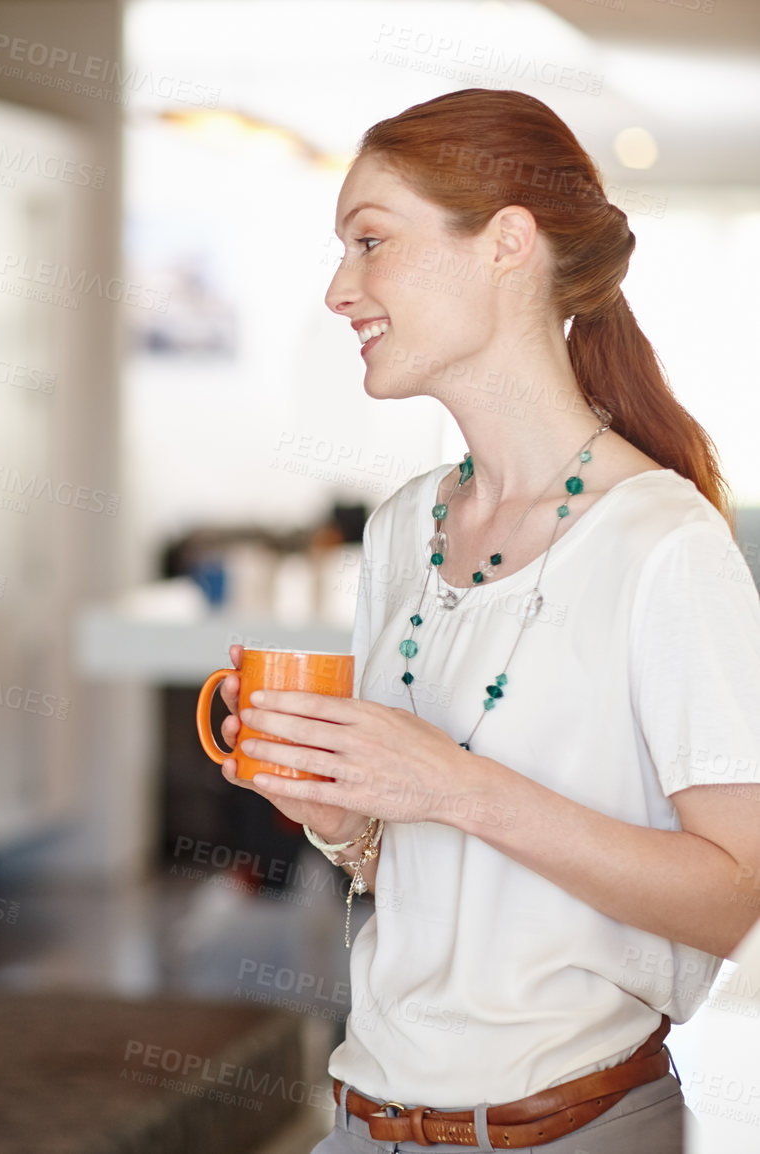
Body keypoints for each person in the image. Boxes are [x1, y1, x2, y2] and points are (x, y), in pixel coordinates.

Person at [217, 89, 760, 1152]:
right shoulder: (399, 529)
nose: (338, 289)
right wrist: (331, 807)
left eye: (370, 240)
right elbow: (401, 863)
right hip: (359, 1118)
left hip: (572, 1127)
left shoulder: (662, 542)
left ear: (506, 242)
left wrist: (457, 786)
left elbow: (734, 898)